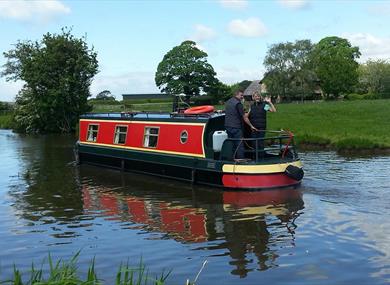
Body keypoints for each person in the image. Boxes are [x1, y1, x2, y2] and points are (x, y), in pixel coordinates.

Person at [225, 90, 257, 160]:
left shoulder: (228, 102)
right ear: (236, 95)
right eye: (241, 95)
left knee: (231, 144)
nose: (242, 97)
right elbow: (244, 117)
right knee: (239, 144)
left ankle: (231, 159)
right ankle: (241, 160)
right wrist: (251, 126)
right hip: (236, 127)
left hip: (228, 126)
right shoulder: (238, 104)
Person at [247, 91, 276, 156]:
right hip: (253, 127)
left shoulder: (264, 105)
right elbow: (247, 115)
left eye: (258, 96)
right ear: (253, 98)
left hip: (261, 127)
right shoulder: (251, 106)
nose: (257, 97)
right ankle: (255, 156)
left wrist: (269, 102)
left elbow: (273, 110)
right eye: (255, 96)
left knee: (260, 142)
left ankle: (261, 156)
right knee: (254, 142)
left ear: (260, 97)